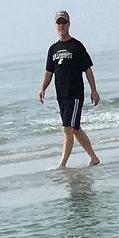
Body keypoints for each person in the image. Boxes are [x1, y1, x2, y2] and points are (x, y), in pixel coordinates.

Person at [38, 11, 101, 167]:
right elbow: (48, 72)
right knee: (75, 128)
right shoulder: (53, 49)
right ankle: (93, 157)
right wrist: (42, 88)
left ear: (69, 24)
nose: (61, 25)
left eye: (64, 22)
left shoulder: (76, 46)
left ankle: (62, 164)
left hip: (75, 94)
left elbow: (88, 69)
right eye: (58, 22)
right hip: (61, 96)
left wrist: (94, 90)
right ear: (55, 25)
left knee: (67, 128)